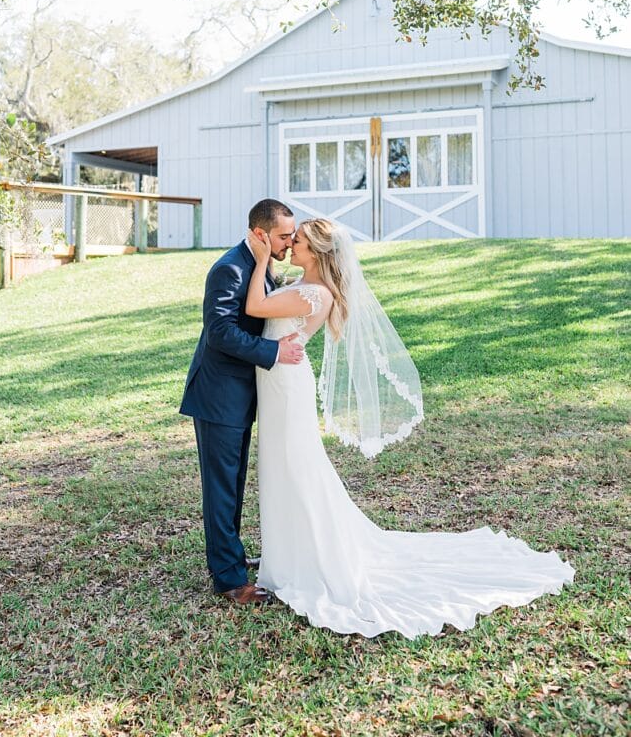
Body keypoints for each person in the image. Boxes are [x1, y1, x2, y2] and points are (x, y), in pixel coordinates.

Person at [244, 218, 575, 638]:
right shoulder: (300, 283)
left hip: (287, 389)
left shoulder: (315, 294)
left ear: (319, 252)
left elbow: (256, 307)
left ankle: (309, 558)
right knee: (281, 468)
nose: (292, 245)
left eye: (301, 242)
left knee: (296, 467)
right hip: (277, 386)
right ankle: (285, 554)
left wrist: (259, 261)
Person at [180, 199, 304, 605]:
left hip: (240, 396)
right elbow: (219, 332)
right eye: (284, 235)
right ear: (259, 234)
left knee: (232, 484)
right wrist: (273, 353)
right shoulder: (229, 268)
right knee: (221, 489)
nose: (291, 241)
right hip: (219, 397)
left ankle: (229, 559)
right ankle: (231, 582)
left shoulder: (260, 264)